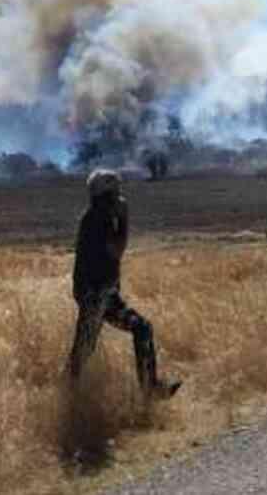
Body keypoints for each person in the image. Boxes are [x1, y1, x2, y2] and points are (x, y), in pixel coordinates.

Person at [66, 169, 181, 398]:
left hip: (97, 293)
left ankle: (66, 395)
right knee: (141, 328)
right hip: (97, 295)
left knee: (83, 352)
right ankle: (149, 388)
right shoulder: (102, 218)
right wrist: (125, 220)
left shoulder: (94, 216)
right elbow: (116, 251)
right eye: (116, 193)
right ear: (106, 195)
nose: (120, 197)